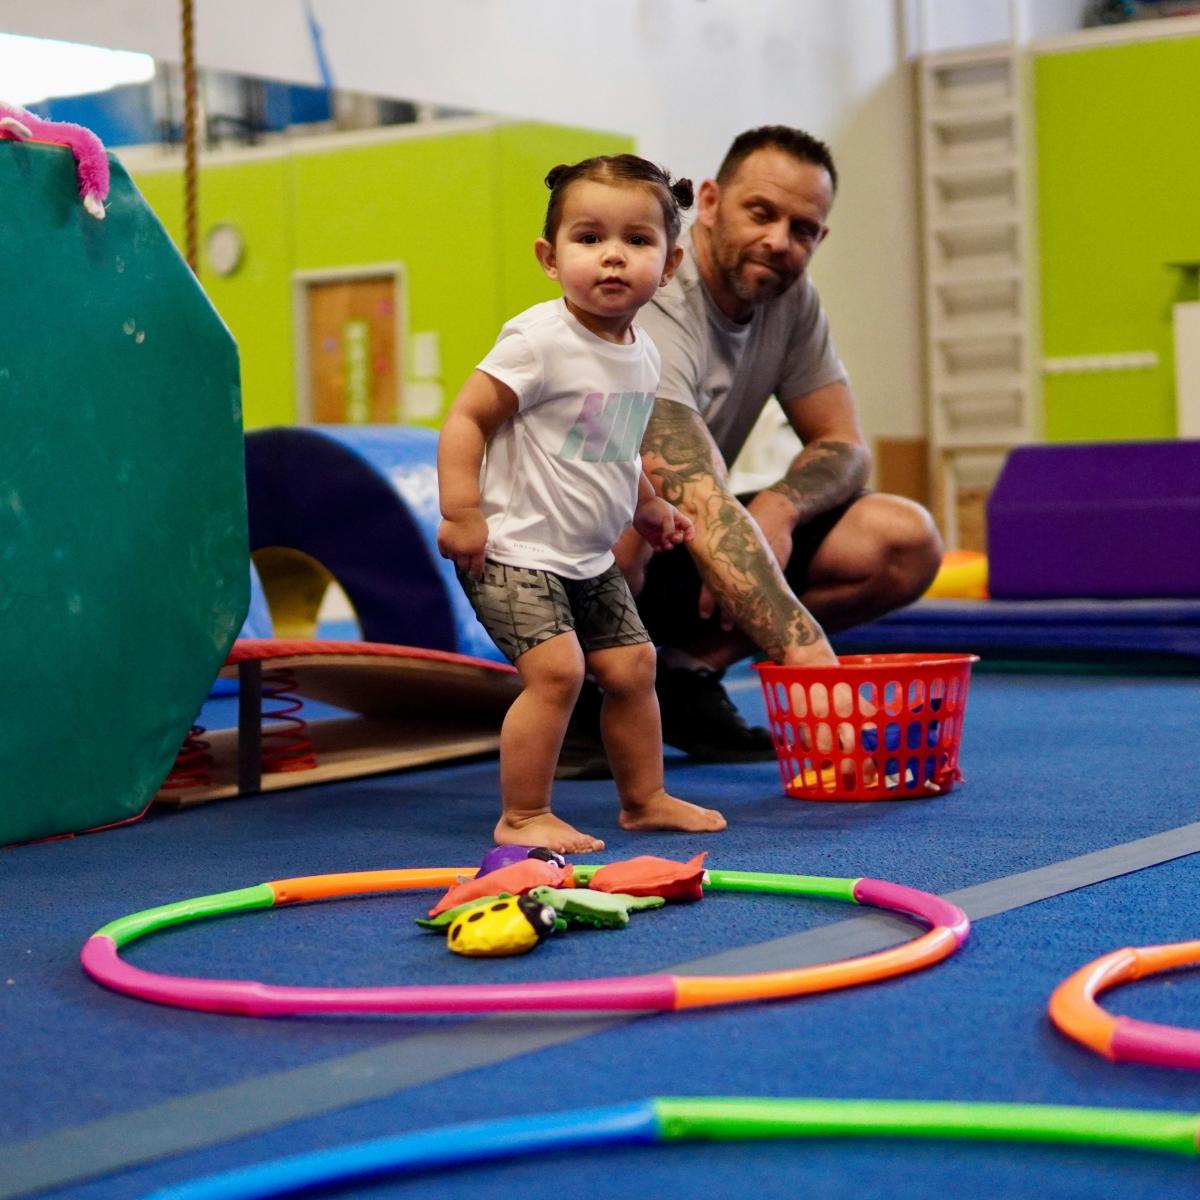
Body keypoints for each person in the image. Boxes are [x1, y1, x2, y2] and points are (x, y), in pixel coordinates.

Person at [557, 126, 943, 778]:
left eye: (804, 229)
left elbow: (844, 445)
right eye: (761, 213)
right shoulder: (650, 298)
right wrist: (824, 684)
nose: (779, 241)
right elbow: (691, 495)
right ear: (708, 202)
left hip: (678, 529)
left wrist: (780, 510)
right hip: (565, 554)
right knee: (624, 533)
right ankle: (582, 696)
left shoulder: (792, 301)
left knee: (903, 538)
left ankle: (683, 677)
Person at [436, 154, 728, 854]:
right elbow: (466, 419)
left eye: (637, 241)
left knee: (633, 669)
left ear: (671, 262)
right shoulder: (539, 340)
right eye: (589, 238)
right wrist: (462, 511)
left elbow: (614, 448)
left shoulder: (642, 354)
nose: (612, 258)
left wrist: (649, 506)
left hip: (587, 557)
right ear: (549, 255)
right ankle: (523, 814)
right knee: (558, 672)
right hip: (513, 551)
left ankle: (644, 799)